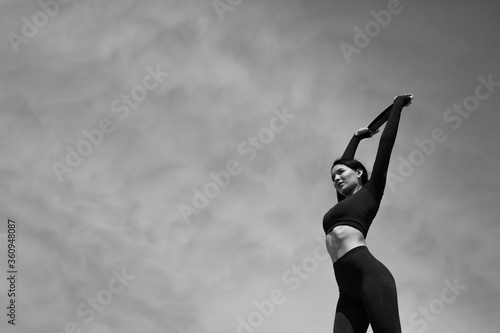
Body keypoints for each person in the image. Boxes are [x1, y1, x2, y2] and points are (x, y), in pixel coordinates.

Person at [323, 94, 414, 333]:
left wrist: (397, 106)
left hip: (370, 276)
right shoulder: (343, 203)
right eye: (333, 178)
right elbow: (346, 161)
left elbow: (385, 144)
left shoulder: (371, 192)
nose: (336, 178)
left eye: (341, 173)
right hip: (346, 290)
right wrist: (356, 138)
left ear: (359, 173)